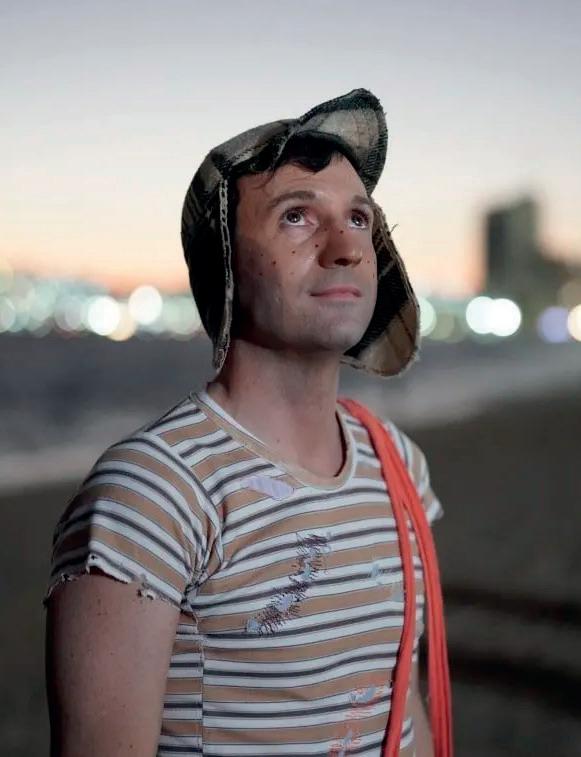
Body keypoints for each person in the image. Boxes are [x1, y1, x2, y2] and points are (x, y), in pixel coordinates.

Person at [44, 88, 445, 757]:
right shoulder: (152, 496)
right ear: (225, 265)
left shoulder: (397, 464)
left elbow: (403, 708)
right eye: (296, 216)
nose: (347, 246)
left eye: (358, 217)